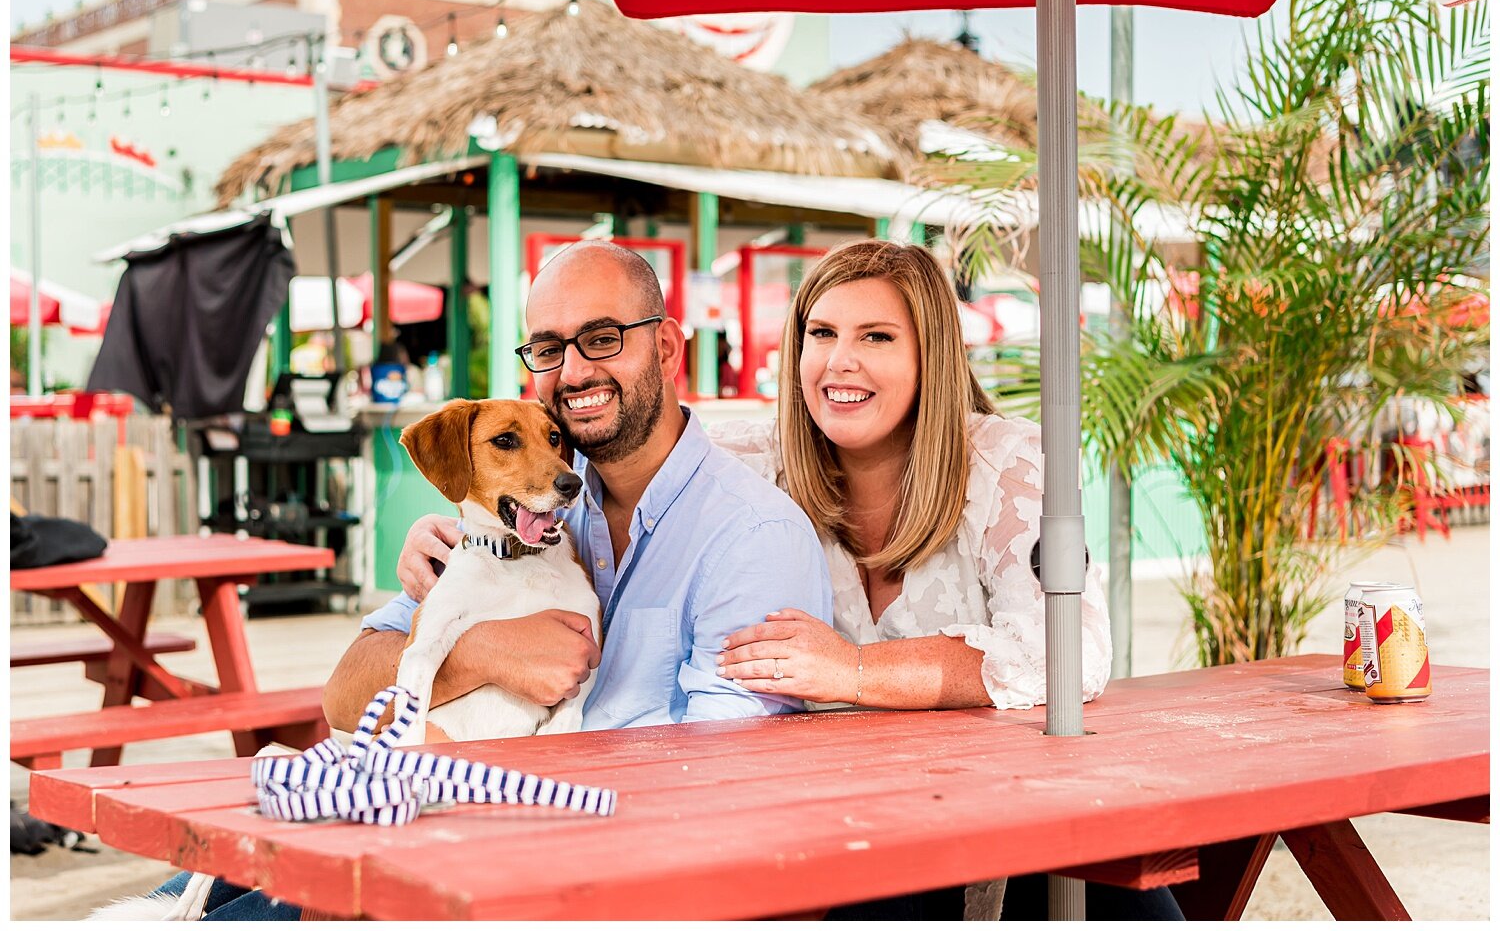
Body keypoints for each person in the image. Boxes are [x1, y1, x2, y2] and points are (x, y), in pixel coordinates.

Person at [127, 241, 834, 921]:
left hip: (543, 864)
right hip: (421, 818)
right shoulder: (515, 500)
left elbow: (722, 792)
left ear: (669, 349)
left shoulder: (750, 538)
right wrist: (480, 652)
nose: (573, 371)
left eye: (604, 338)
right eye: (549, 349)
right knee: (176, 894)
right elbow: (344, 695)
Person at [704, 239, 1178, 920]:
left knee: (1121, 879)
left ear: (932, 356)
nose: (841, 360)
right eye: (821, 333)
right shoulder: (749, 461)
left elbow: (1068, 650)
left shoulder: (1004, 463)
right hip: (819, 830)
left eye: (877, 336)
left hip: (998, 822)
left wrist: (855, 671)